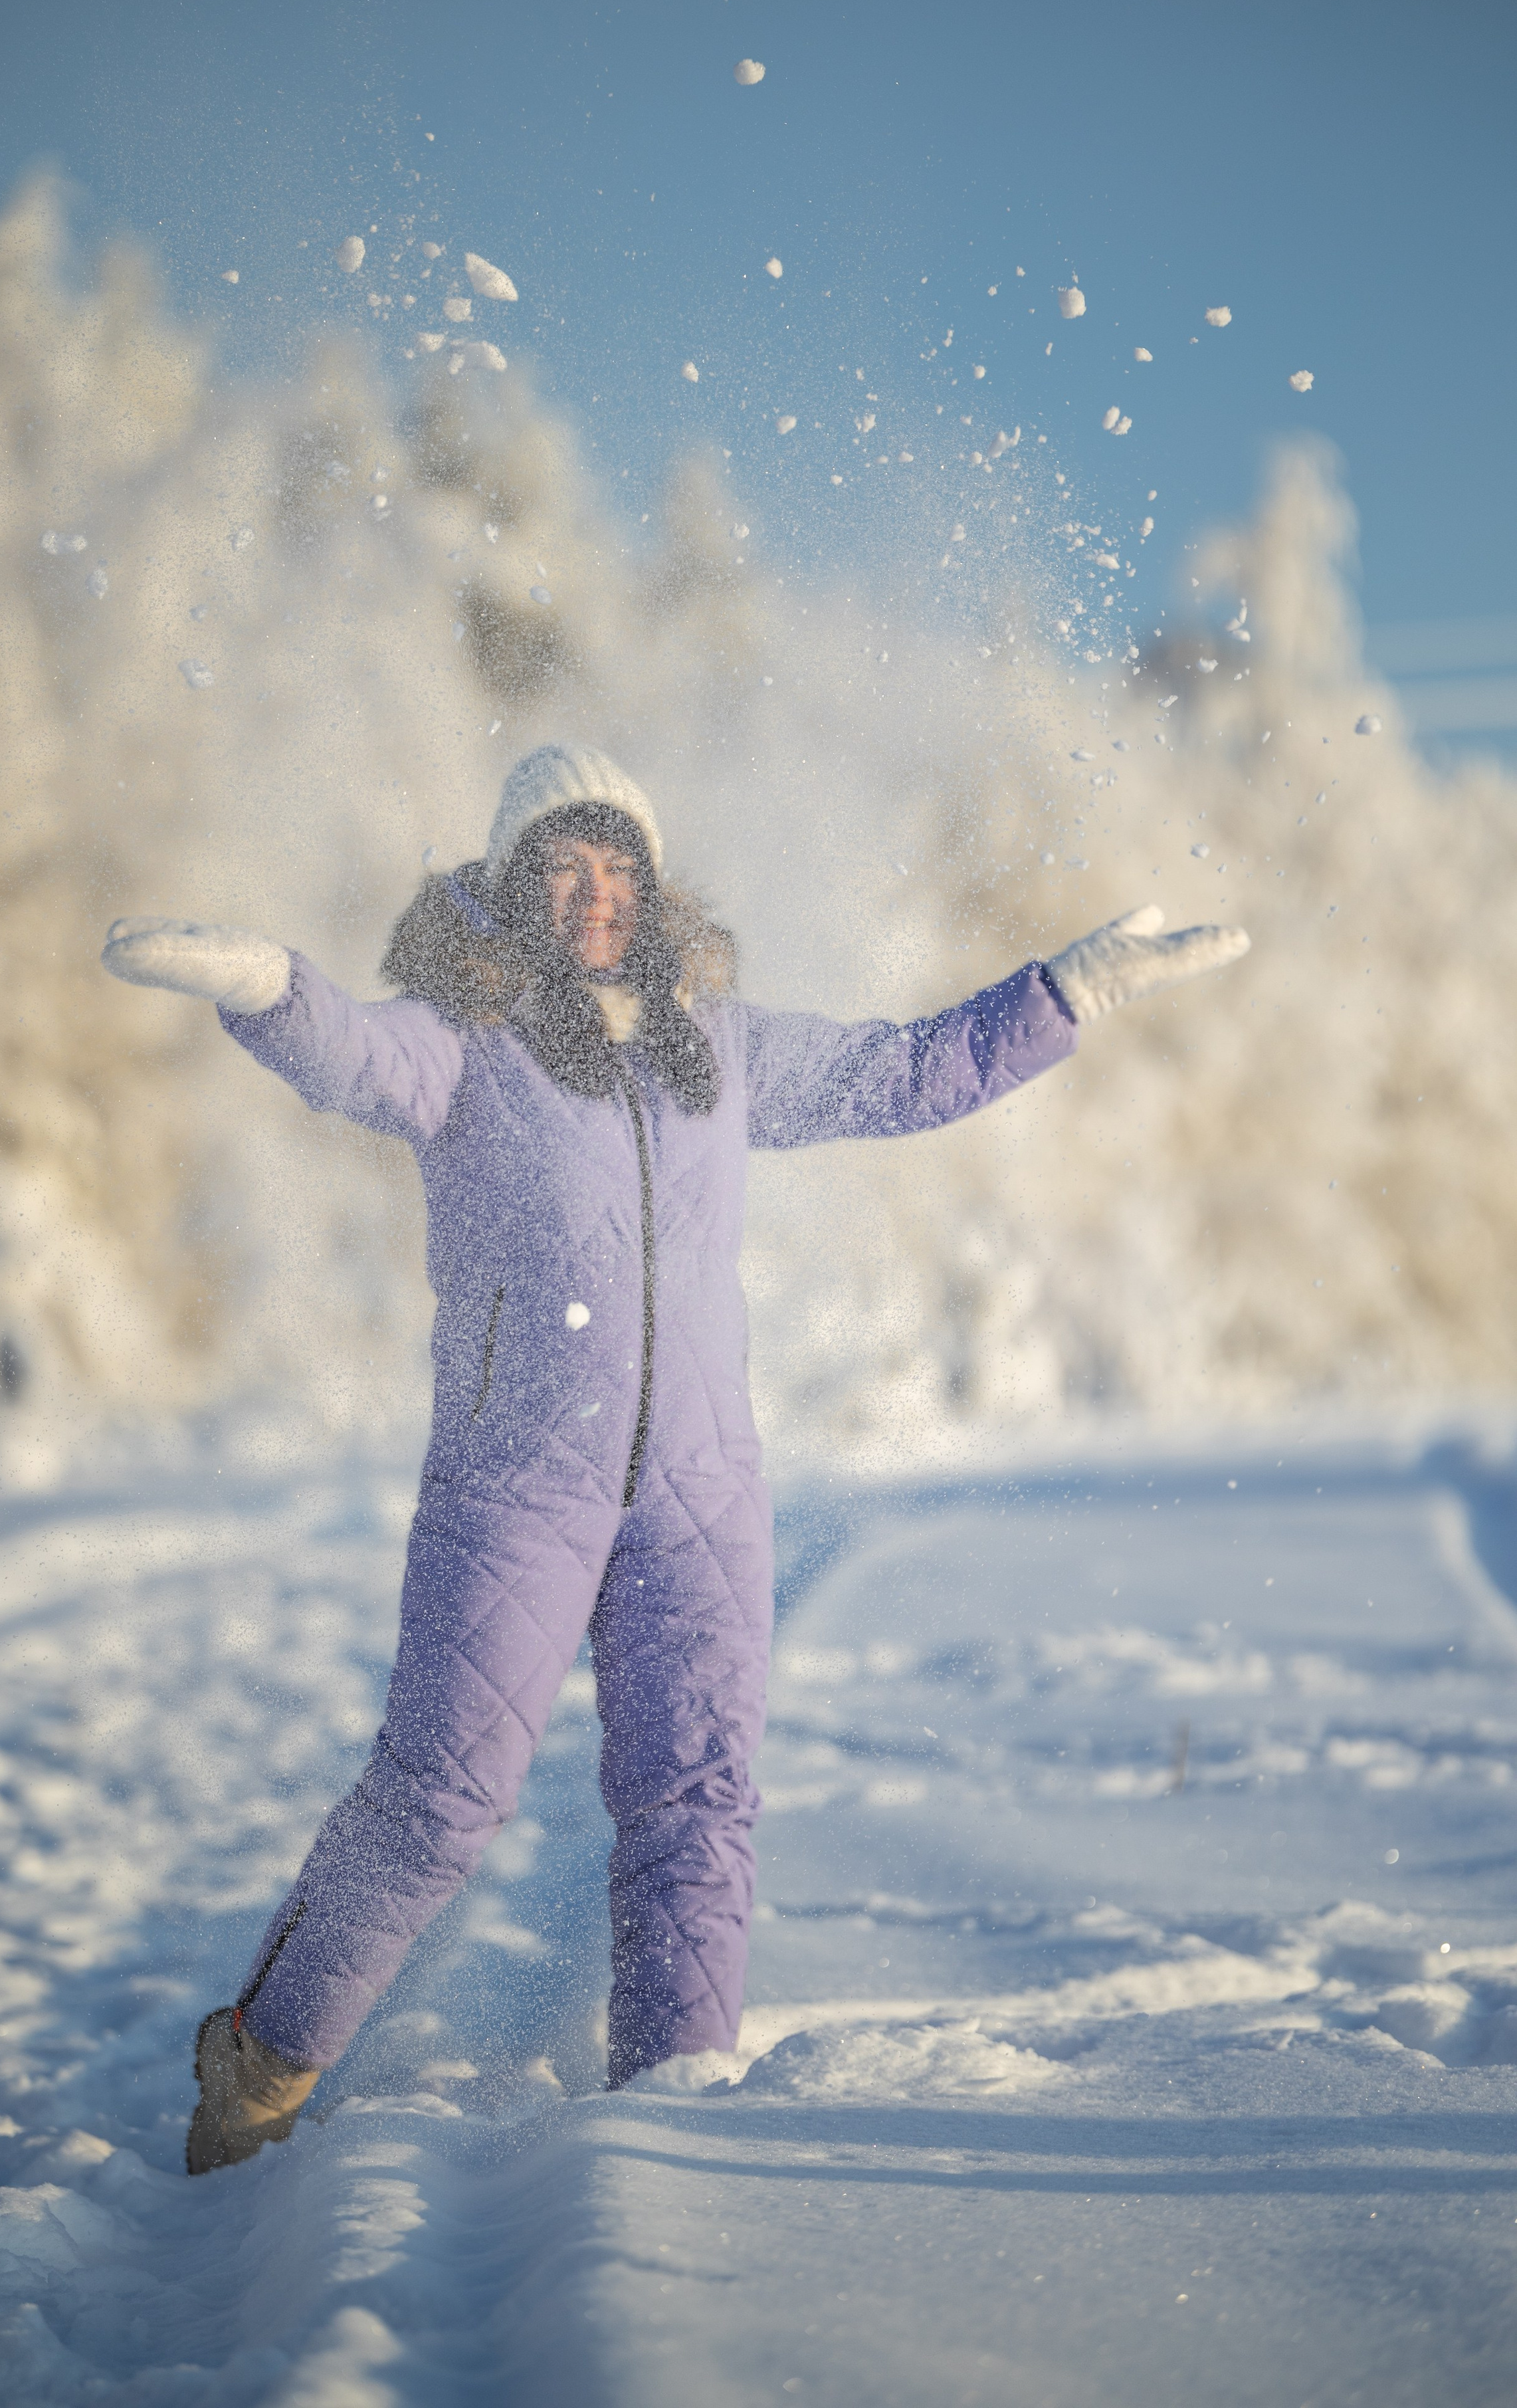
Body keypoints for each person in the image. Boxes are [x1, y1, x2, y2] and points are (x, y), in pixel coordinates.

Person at [101, 742, 1249, 2170]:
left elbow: (906, 1072)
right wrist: (271, 987)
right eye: (563, 867)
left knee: (695, 1801)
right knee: (438, 1796)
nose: (593, 893)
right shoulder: (466, 1043)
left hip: (700, 1490)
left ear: (651, 884)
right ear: (516, 884)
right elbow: (354, 1053)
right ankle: (258, 2069)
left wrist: (1062, 993)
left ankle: (674, 2122)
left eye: (617, 864)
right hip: (513, 1480)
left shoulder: (721, 1047)